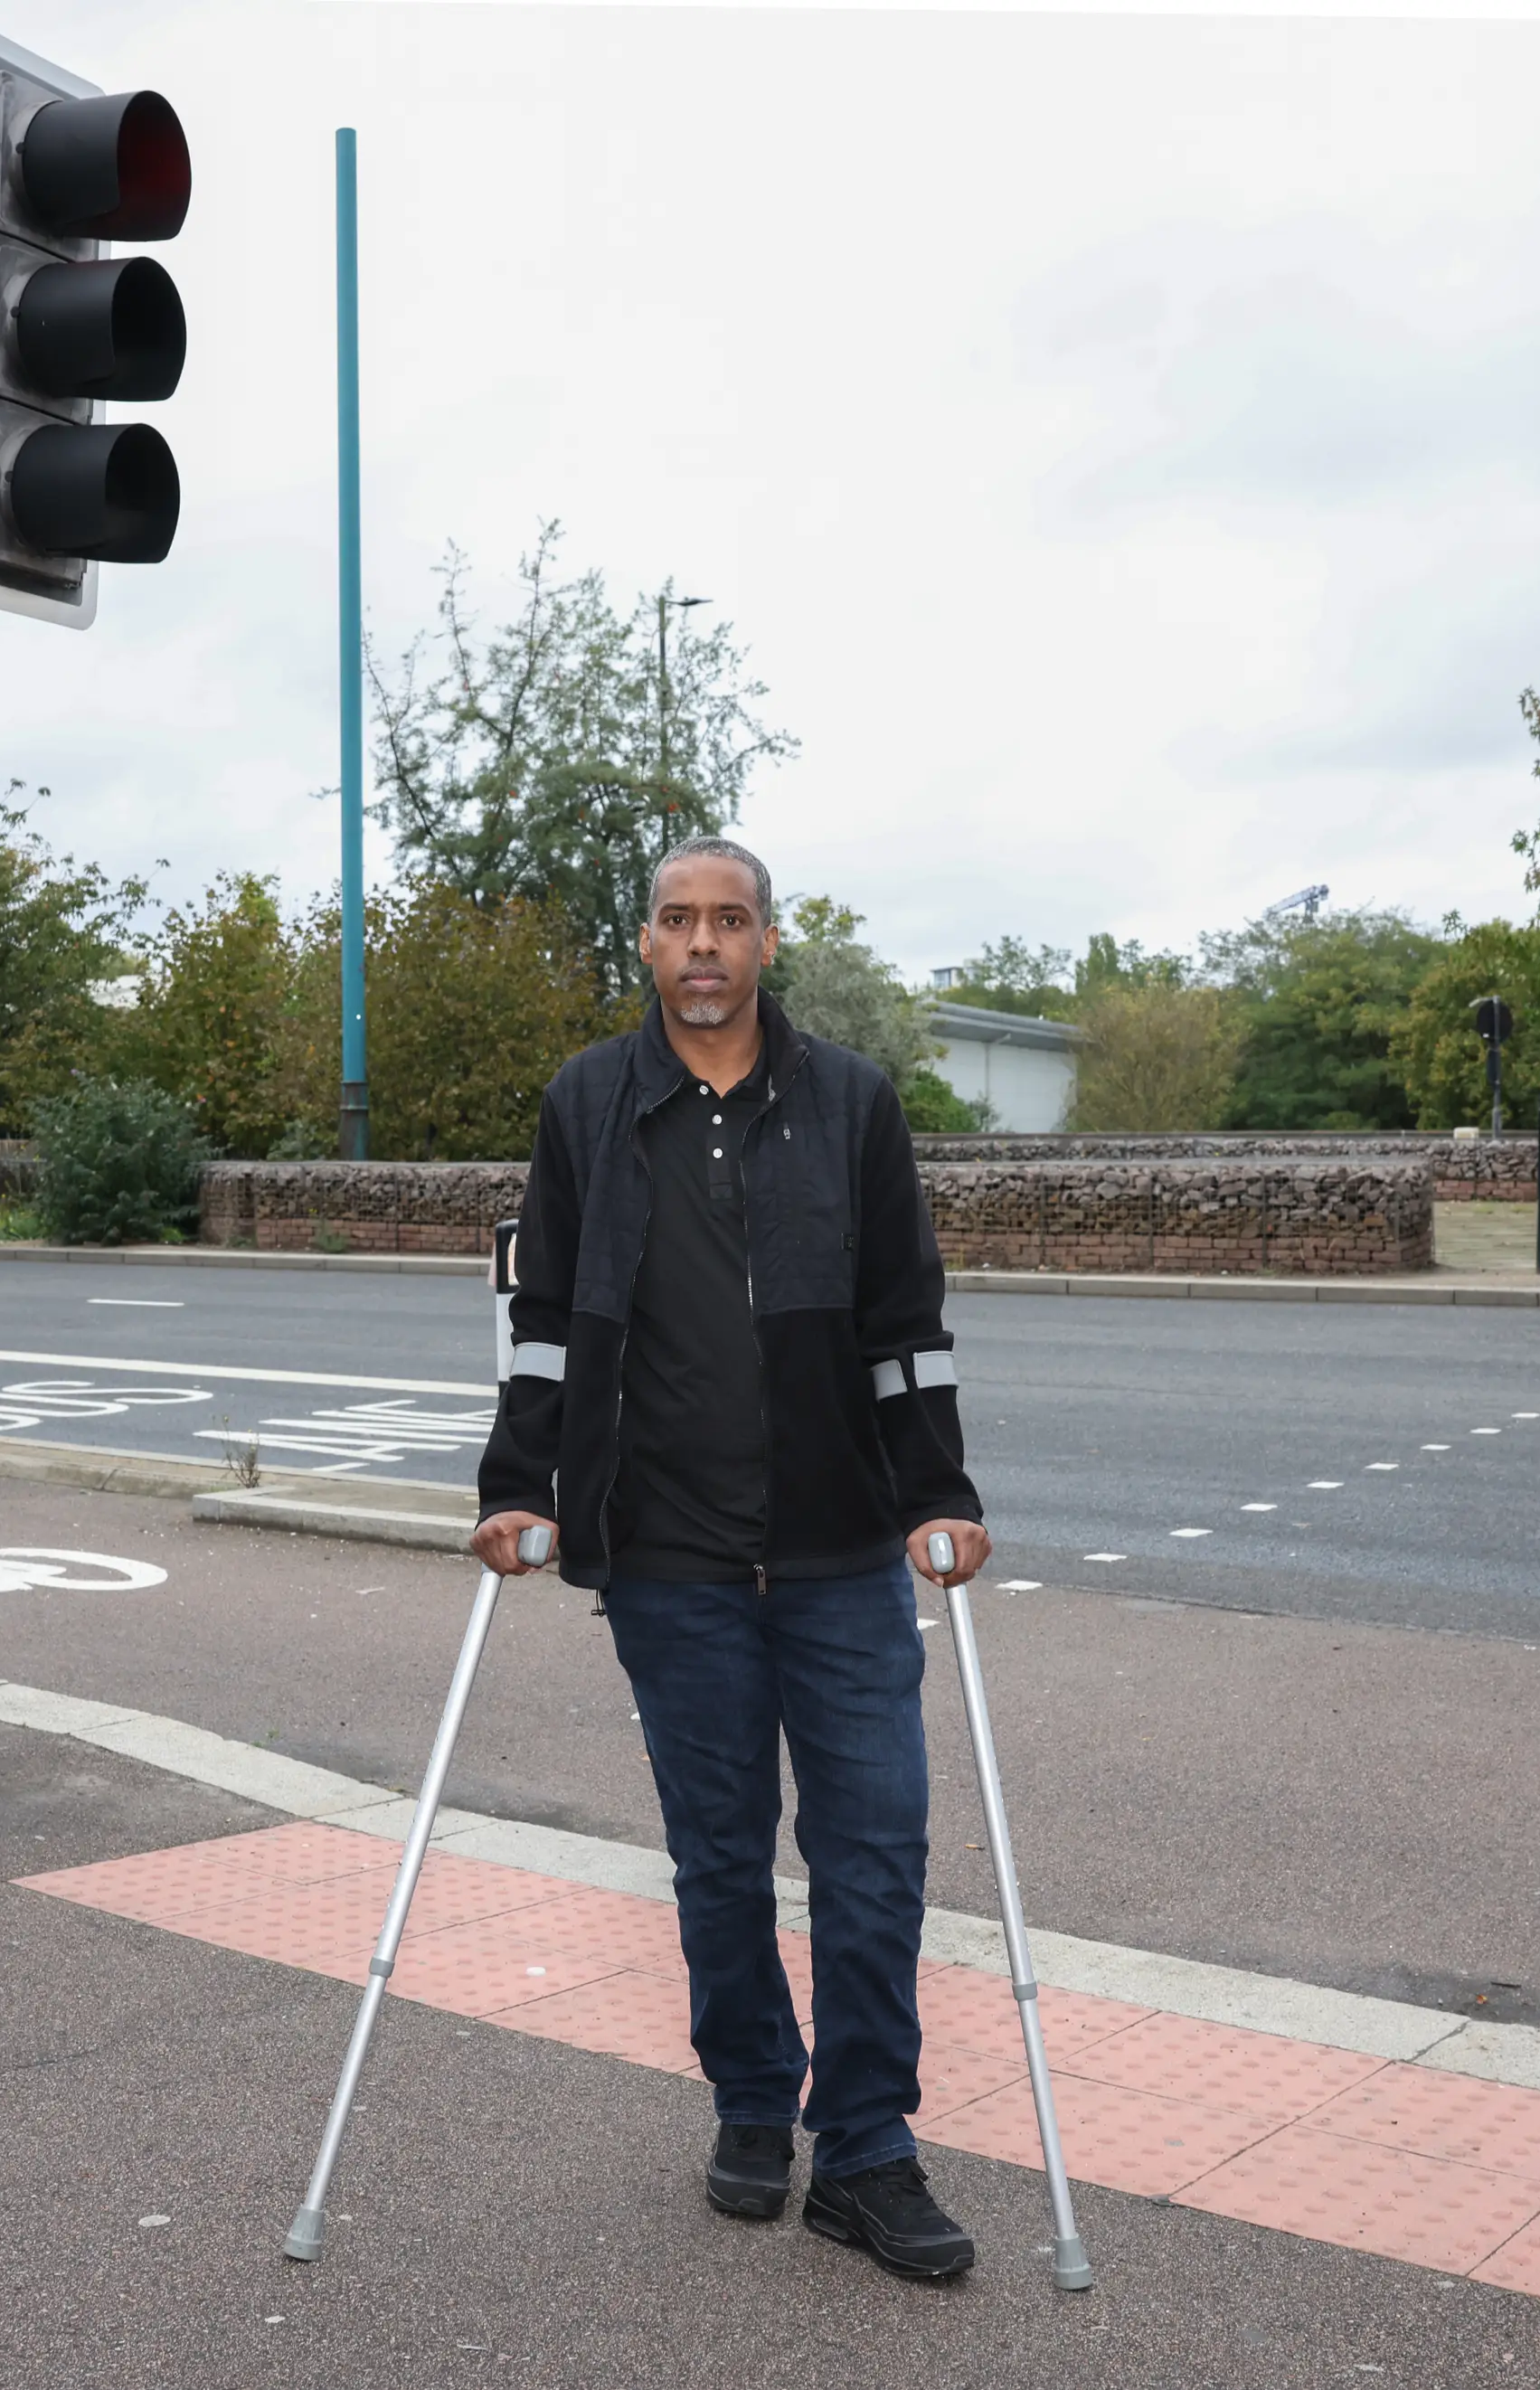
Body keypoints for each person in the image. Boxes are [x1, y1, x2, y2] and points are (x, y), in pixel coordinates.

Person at [472, 836, 992, 2281]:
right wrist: (517, 1484)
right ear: (645, 941)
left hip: (840, 1551)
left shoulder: (852, 1102)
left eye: (731, 919)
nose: (704, 942)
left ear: (767, 941)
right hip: (668, 1557)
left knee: (875, 1853)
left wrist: (938, 1490)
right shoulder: (588, 1102)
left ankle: (867, 2147)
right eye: (679, 919)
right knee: (719, 1858)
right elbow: (546, 1319)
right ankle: (755, 2098)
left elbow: (905, 1320)